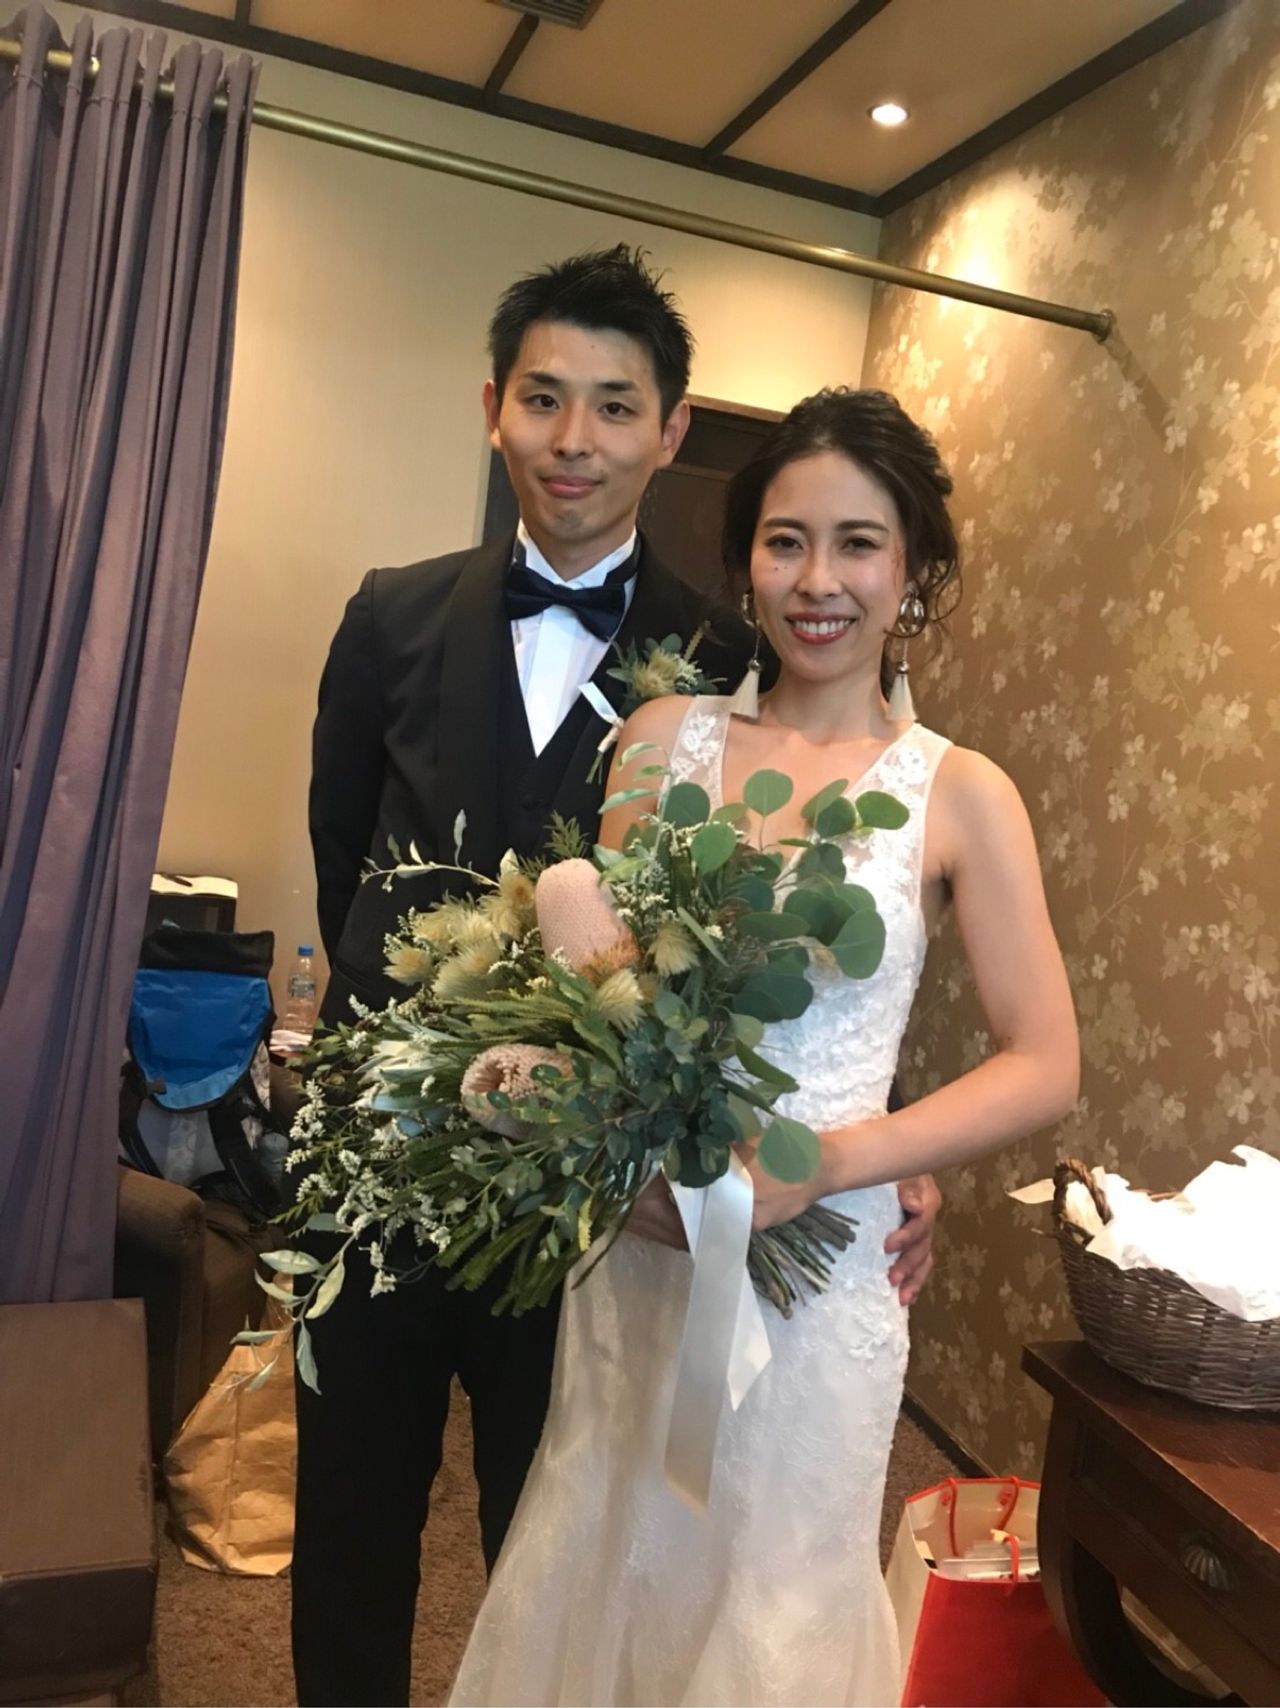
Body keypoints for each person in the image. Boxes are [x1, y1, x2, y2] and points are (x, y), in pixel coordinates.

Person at [296, 254, 941, 1707]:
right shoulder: (391, 615)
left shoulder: (731, 654)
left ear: (671, 429)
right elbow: (346, 858)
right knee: (348, 1523)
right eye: (542, 399)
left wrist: (877, 1143)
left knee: (564, 1538)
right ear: (494, 409)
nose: (572, 439)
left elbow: (805, 915)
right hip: (381, 1163)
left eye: (614, 405)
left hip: (606, 1202)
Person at [448, 387, 1080, 1708]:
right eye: (786, 541)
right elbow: (600, 1008)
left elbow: (1044, 1060)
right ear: (747, 557)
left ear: (914, 569)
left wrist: (842, 1160)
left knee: (779, 1588)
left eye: (859, 544)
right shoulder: (655, 746)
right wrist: (609, 1146)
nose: (818, 580)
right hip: (640, 1249)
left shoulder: (961, 793)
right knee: (607, 1552)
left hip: (824, 1274)